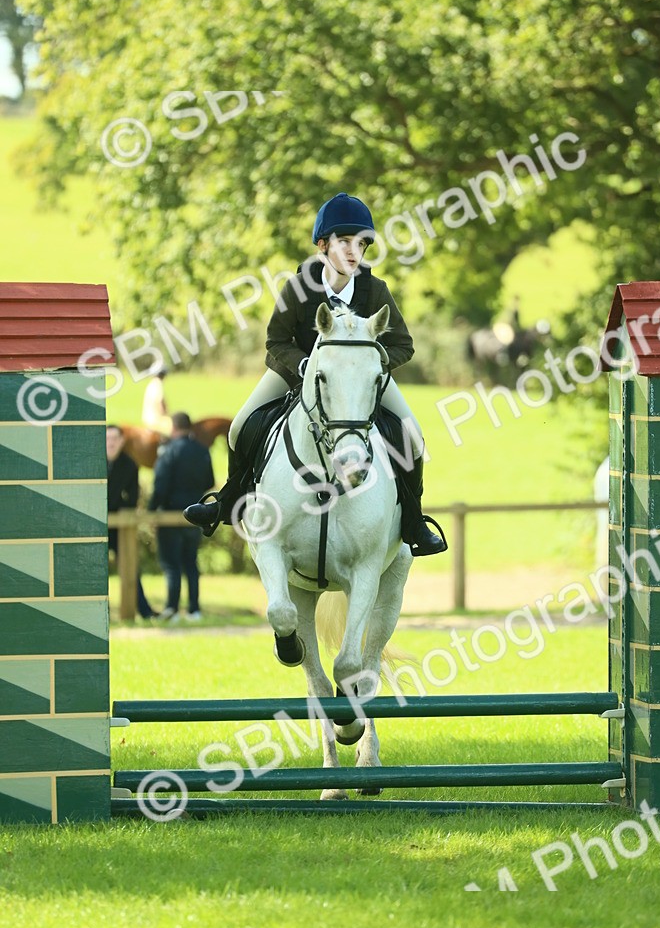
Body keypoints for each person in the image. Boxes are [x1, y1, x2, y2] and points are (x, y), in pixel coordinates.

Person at [184, 192, 446, 555]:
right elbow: (276, 340)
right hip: (296, 373)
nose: (354, 252)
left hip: (360, 381)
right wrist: (303, 364)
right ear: (323, 246)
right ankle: (228, 501)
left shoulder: (375, 290)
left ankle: (415, 522)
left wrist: (368, 366)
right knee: (240, 425)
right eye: (343, 242)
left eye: (361, 244)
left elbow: (404, 345)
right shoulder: (298, 288)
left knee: (413, 437)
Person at [150, 412, 215, 622]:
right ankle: (194, 609)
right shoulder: (203, 450)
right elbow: (209, 481)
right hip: (194, 513)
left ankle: (172, 608)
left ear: (174, 427)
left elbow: (160, 486)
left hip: (170, 513)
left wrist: (152, 511)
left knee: (171, 563)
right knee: (190, 562)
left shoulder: (169, 451)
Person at [106, 424, 155, 620]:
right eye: (107, 439)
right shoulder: (94, 462)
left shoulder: (129, 465)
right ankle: (102, 612)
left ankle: (144, 611)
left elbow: (132, 498)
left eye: (114, 440)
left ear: (121, 441)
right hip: (97, 527)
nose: (111, 443)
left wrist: (114, 506)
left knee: (130, 568)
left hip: (121, 527)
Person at [142, 362, 171, 438]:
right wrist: (166, 414)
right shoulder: (158, 384)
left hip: (147, 419)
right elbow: (160, 402)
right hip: (155, 420)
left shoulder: (151, 384)